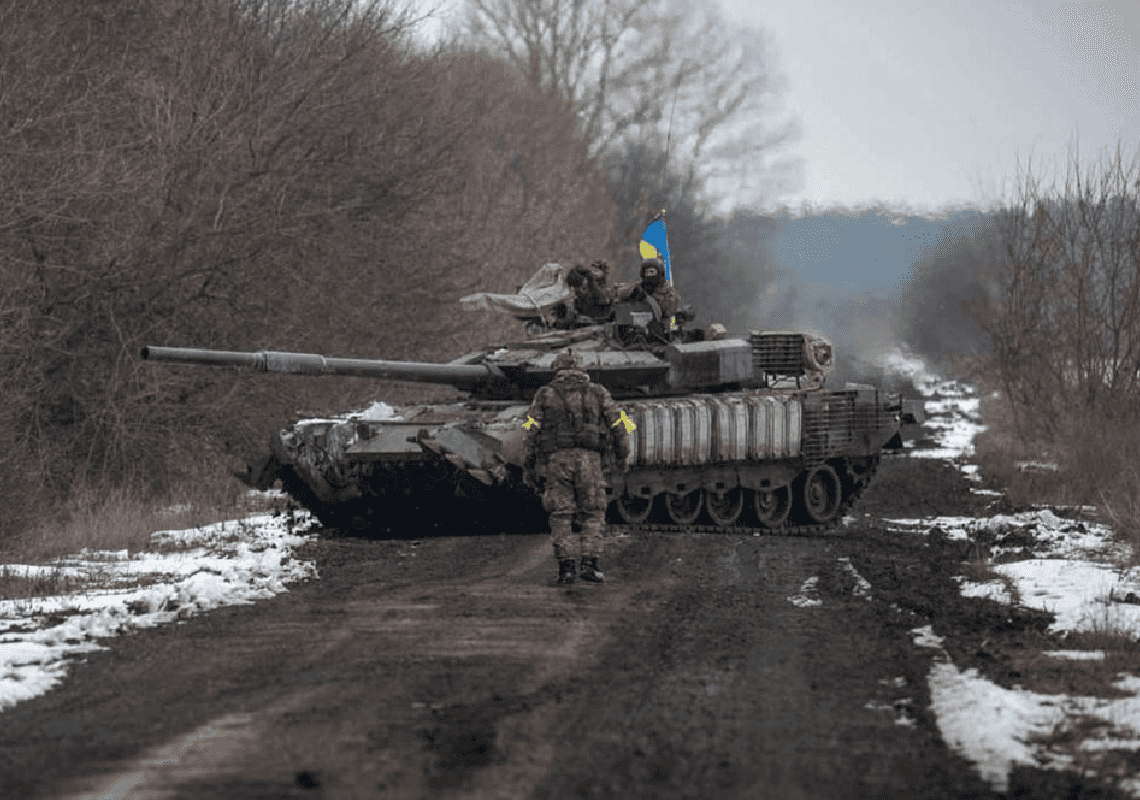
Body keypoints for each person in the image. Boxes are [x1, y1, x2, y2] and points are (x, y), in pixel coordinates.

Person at [524, 351, 629, 584]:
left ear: (557, 369)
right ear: (583, 369)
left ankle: (567, 568)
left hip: (557, 461)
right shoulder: (599, 392)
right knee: (593, 512)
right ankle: (590, 565)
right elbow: (620, 423)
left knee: (561, 514)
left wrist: (528, 464)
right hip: (590, 460)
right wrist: (622, 456)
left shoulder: (544, 394)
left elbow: (530, 428)